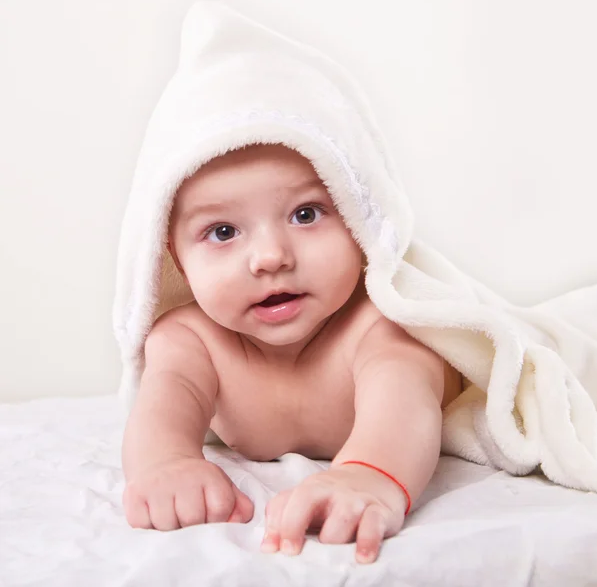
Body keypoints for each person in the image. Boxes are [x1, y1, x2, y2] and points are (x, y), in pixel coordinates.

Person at [121, 141, 463, 564]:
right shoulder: (189, 340)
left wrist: (369, 474)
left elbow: (404, 401)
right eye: (223, 231)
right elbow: (161, 412)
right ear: (178, 259)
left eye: (306, 214)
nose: (270, 257)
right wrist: (166, 464)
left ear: (359, 221)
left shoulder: (383, 325)